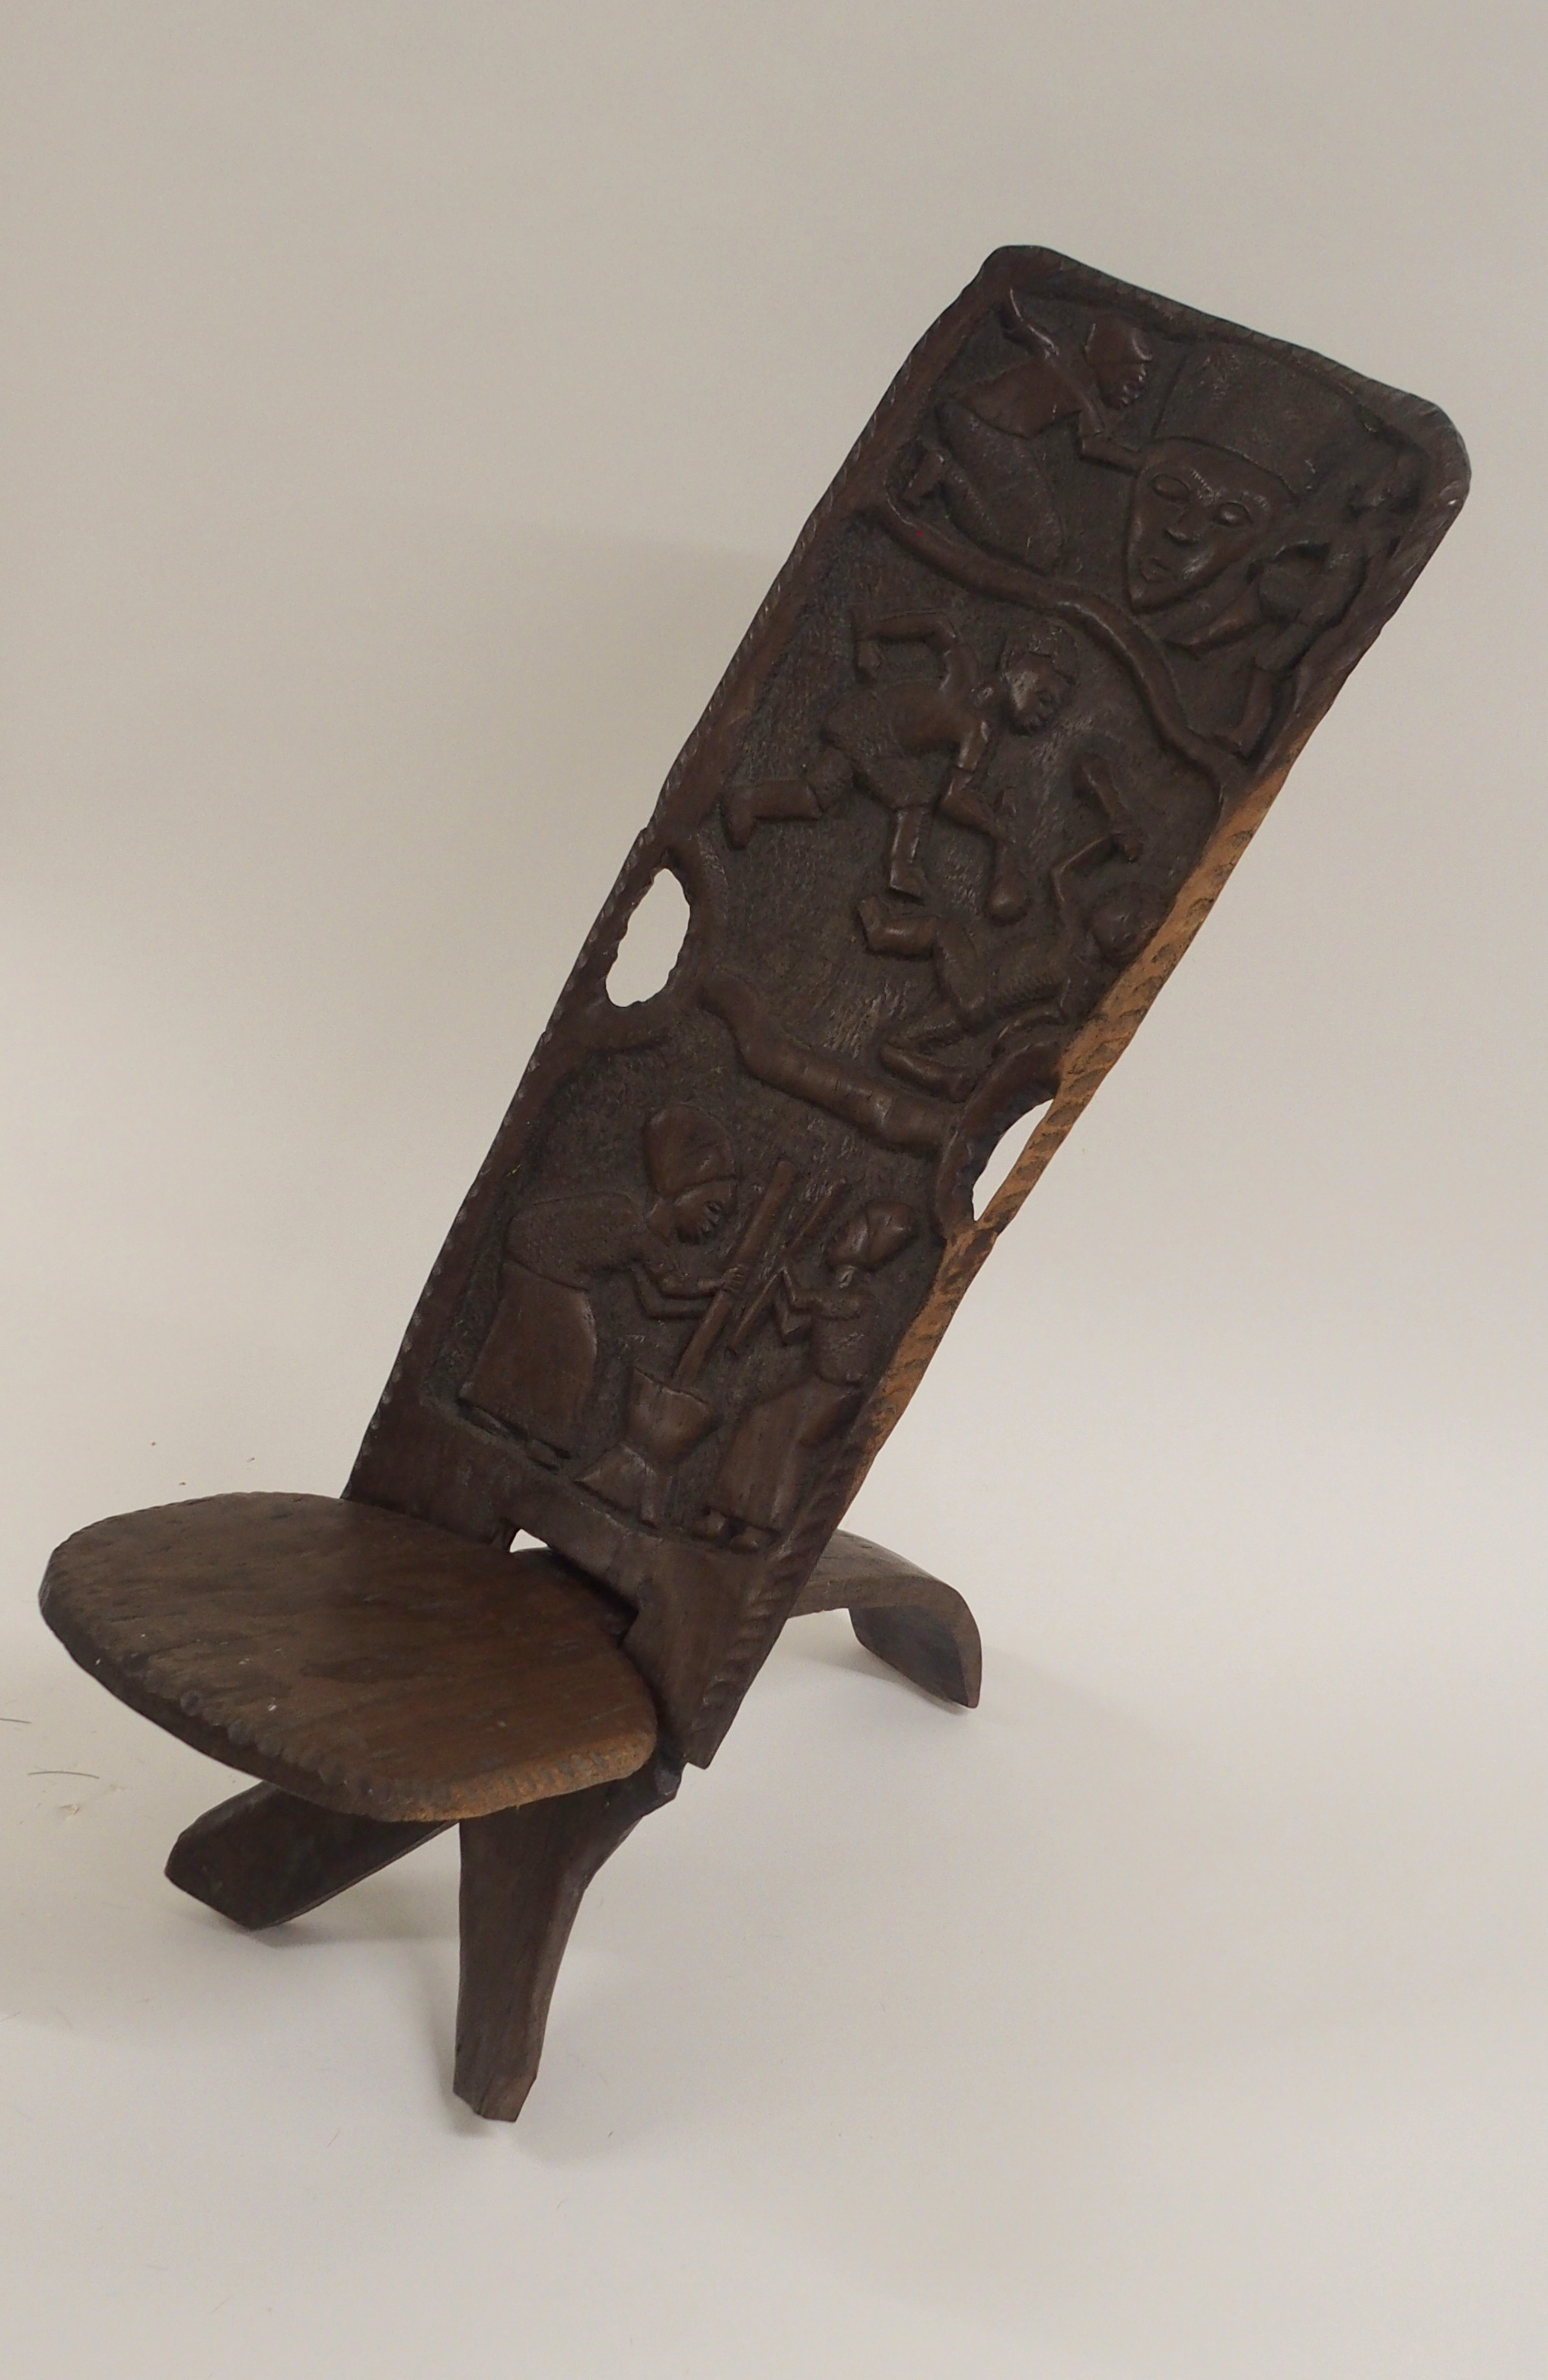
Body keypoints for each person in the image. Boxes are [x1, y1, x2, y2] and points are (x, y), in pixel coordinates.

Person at [723, 608, 1077, 922]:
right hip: (869, 725)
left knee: (821, 796)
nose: (1044, 715)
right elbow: (937, 625)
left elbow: (955, 795)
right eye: (1044, 698)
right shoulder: (972, 695)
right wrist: (870, 633)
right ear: (1019, 658)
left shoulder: (978, 722)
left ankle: (752, 803)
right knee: (882, 796)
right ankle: (899, 868)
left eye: (1051, 711)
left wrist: (993, 826)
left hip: (876, 737)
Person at [459, 1105, 738, 1462]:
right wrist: (716, 1285)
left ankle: (505, 1414)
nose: (713, 1224)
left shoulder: (638, 1229)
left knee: (543, 1337)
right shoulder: (634, 1227)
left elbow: (653, 1305)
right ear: (683, 1188)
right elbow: (669, 1286)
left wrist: (707, 1308)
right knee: (576, 1344)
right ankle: (535, 1431)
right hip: (541, 1257)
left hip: (544, 1262)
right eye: (712, 1208)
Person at [696, 1202, 916, 1547]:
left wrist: (782, 1266)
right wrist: (771, 1293)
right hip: (816, 1385)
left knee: (788, 1436)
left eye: (848, 1231)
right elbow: (790, 1326)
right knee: (760, 1418)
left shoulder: (858, 1299)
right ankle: (724, 1515)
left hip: (836, 1392)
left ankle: (760, 1528)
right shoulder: (836, 1292)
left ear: (872, 1245)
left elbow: (802, 1299)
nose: (837, 1235)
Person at [904, 305, 1156, 570]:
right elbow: (1093, 446)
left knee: (1039, 540)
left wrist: (1005, 293)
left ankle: (945, 474)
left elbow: (1019, 323)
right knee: (1043, 544)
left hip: (960, 413)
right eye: (1130, 384)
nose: (1131, 397)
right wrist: (1139, 464)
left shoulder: (1053, 352)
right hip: (989, 434)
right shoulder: (1082, 402)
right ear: (1108, 359)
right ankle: (945, 474)